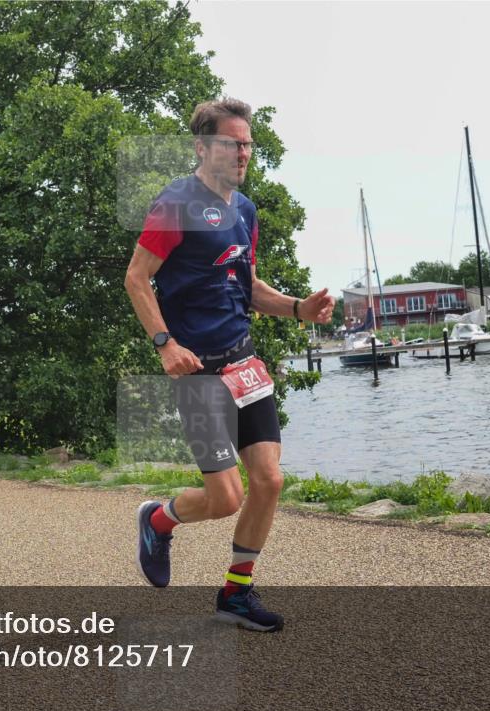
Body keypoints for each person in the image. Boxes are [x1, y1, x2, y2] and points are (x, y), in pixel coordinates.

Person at [124, 98, 335, 632]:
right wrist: (165, 344)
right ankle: (157, 518)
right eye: (231, 142)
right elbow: (136, 278)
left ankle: (235, 594)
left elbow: (247, 285)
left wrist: (295, 308)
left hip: (242, 363)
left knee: (268, 480)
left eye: (247, 144)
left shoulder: (244, 210)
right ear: (202, 147)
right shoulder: (176, 204)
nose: (242, 152)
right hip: (196, 373)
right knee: (225, 497)